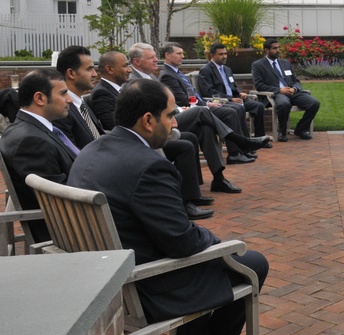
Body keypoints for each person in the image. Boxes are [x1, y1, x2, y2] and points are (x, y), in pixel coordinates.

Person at [67, 79, 269, 335]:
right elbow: (183, 243)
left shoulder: (92, 149)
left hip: (101, 271)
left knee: (198, 256)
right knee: (249, 261)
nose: (174, 124)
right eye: (171, 115)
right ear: (148, 120)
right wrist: (218, 242)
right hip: (139, 287)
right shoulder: (149, 165)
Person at [55, 46, 214, 219]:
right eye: (89, 69)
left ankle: (187, 197)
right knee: (176, 133)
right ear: (71, 73)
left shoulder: (80, 104)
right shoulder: (67, 109)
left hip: (107, 158)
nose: (95, 73)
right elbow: (110, 129)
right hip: (106, 167)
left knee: (188, 136)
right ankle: (179, 200)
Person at [92, 50, 245, 195]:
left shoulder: (143, 80)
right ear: (109, 69)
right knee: (201, 112)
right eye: (125, 65)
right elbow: (116, 124)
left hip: (160, 121)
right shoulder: (106, 91)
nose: (129, 69)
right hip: (145, 132)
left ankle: (213, 181)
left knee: (204, 128)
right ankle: (236, 141)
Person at [157, 42, 268, 165]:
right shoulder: (167, 75)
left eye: (182, 53)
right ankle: (236, 152)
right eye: (179, 53)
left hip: (202, 104)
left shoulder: (176, 72)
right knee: (231, 111)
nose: (182, 56)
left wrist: (211, 102)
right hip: (190, 110)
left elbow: (232, 87)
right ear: (167, 55)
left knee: (239, 108)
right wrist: (207, 103)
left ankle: (241, 148)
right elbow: (184, 100)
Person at [0, 68, 76, 241]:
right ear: (40, 98)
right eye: (63, 93)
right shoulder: (31, 141)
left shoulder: (25, 129)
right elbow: (59, 200)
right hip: (69, 234)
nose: (69, 99)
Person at [251, 39, 320, 142]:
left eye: (278, 48)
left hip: (292, 92)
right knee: (284, 104)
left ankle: (300, 129)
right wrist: (279, 89)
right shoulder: (258, 65)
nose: (278, 50)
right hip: (276, 94)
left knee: (314, 103)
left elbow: (296, 81)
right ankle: (282, 132)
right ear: (266, 50)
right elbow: (259, 85)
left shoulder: (285, 63)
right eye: (275, 48)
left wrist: (294, 88)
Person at [197, 43, 266, 138]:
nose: (224, 56)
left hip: (234, 99)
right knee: (238, 108)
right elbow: (208, 91)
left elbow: (232, 86)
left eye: (225, 54)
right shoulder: (206, 70)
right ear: (212, 56)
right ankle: (244, 140)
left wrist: (239, 92)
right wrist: (230, 99)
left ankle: (259, 137)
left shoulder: (227, 69)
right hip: (221, 102)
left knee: (258, 106)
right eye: (221, 54)